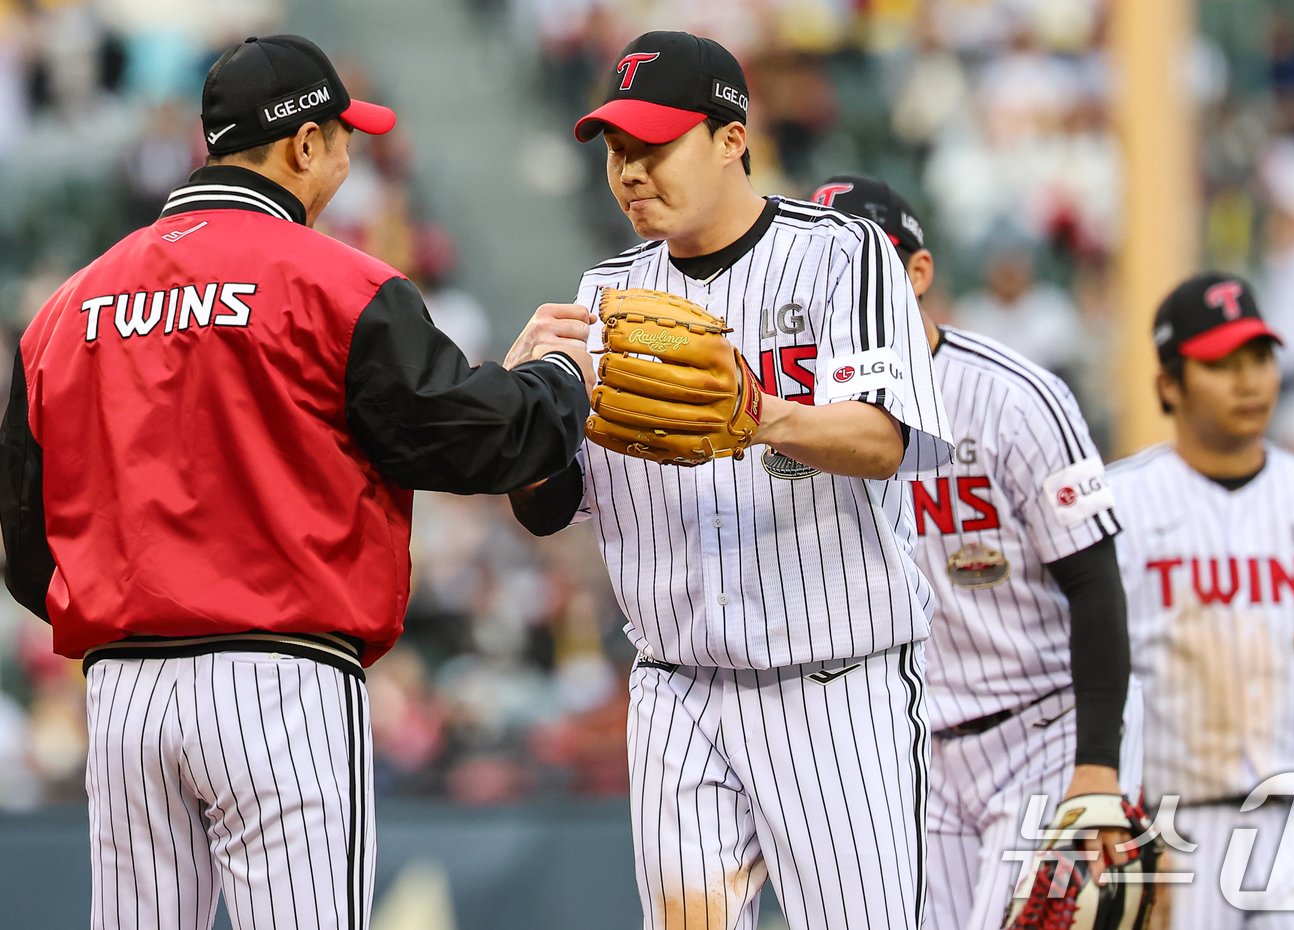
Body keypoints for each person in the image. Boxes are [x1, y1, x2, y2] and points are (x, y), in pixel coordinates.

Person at [0, 34, 593, 930]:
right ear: (303, 145)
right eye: (344, 136)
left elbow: (27, 547)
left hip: (123, 694)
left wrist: (135, 612)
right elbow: (474, 444)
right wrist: (561, 381)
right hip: (280, 682)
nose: (353, 157)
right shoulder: (336, 282)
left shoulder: (66, 306)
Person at [510, 31, 953, 930]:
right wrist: (522, 425)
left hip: (835, 687)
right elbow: (551, 508)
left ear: (730, 138)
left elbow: (886, 442)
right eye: (616, 151)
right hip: (675, 688)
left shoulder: (845, 255)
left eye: (654, 145)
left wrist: (760, 414)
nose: (630, 172)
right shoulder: (600, 295)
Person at [817, 175, 1145, 930]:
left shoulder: (1014, 397)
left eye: (861, 266)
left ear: (918, 272)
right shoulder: (804, 421)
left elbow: (1096, 583)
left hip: (1037, 735)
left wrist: (1096, 760)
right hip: (908, 754)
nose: (843, 292)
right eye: (824, 272)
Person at [1109, 272, 1294, 928]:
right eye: (1220, 364)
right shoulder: (1117, 507)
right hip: (1173, 831)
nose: (1249, 381)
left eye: (1261, 359)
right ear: (1168, 384)